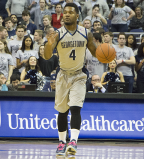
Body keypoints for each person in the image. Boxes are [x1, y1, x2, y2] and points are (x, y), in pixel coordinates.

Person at [44, 3, 97, 155]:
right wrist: (48, 45)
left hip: (79, 75)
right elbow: (47, 56)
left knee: (75, 107)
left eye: (70, 12)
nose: (66, 14)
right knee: (62, 111)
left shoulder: (86, 33)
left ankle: (73, 142)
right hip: (62, 74)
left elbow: (94, 52)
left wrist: (105, 53)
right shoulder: (58, 33)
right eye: (65, 12)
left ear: (77, 15)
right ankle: (61, 142)